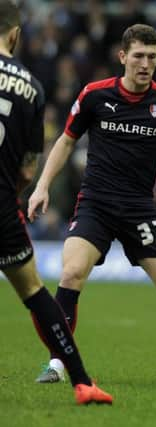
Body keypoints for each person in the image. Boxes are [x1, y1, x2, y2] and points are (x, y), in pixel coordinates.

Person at [27, 23, 156, 384]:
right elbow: (65, 142)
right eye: (138, 56)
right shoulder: (94, 95)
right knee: (71, 273)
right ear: (122, 56)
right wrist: (41, 186)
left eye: (152, 57)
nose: (145, 63)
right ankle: (57, 365)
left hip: (140, 208)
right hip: (95, 203)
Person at [0, 0, 111, 405]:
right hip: (2, 207)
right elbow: (29, 171)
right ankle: (82, 382)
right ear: (15, 34)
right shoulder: (30, 85)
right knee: (34, 291)